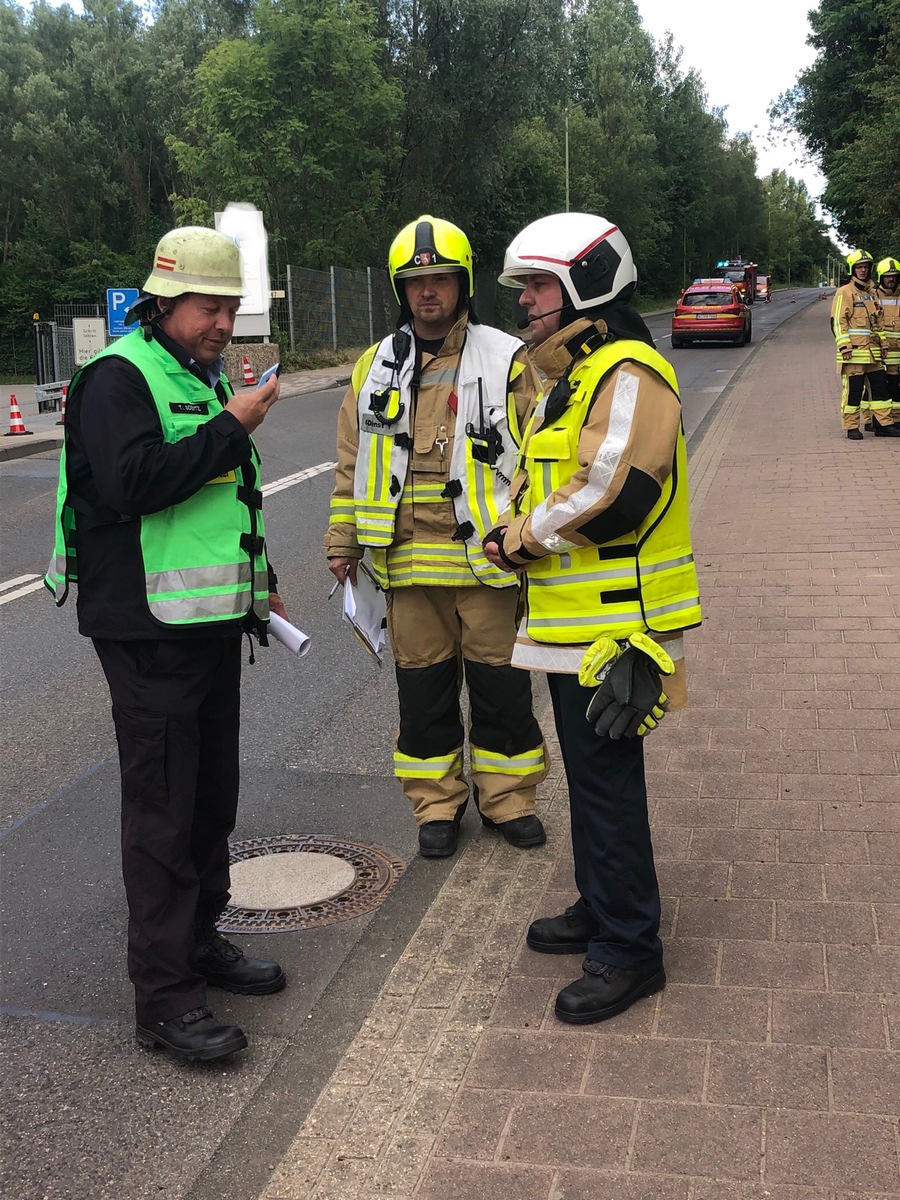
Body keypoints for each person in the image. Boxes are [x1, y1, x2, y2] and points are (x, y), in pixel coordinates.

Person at [45, 226, 287, 1062]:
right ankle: (164, 999)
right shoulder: (117, 377)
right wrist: (235, 427)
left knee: (210, 797)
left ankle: (199, 944)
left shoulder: (195, 372)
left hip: (208, 623)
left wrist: (263, 581)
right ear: (164, 300)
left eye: (230, 308)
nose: (223, 323)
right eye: (209, 308)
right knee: (161, 812)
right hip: (146, 632)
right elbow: (135, 483)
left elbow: (225, 505)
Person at [483, 212, 702, 1024]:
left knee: (607, 786)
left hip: (619, 627)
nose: (526, 303)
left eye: (538, 286)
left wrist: (520, 537)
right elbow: (548, 479)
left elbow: (609, 491)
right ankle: (599, 906)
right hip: (573, 624)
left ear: (588, 283)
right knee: (588, 778)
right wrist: (516, 524)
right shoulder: (571, 380)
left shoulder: (628, 370)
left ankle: (630, 950)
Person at [325, 215, 548, 859]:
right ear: (402, 290)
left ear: (463, 284)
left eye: (441, 280)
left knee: (500, 686)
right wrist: (343, 540)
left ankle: (508, 800)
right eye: (416, 282)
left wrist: (526, 536)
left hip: (485, 560)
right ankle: (437, 804)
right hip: (408, 567)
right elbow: (352, 459)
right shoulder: (374, 365)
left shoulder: (507, 357)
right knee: (423, 694)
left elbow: (537, 457)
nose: (429, 293)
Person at [830, 249, 899, 438]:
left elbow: (878, 322)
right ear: (852, 269)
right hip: (853, 354)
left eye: (865, 267)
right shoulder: (845, 292)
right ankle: (851, 427)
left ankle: (884, 425)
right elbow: (837, 321)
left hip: (873, 353)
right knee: (853, 392)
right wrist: (844, 346)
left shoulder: (871, 294)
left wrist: (883, 344)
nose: (862, 271)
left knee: (880, 390)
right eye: (859, 267)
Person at [874, 256, 900, 427]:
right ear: (880, 277)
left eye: (894, 275)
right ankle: (873, 421)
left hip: (897, 353)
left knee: (896, 389)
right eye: (887, 276)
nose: (891, 279)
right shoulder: (873, 297)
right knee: (877, 389)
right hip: (880, 352)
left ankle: (896, 419)